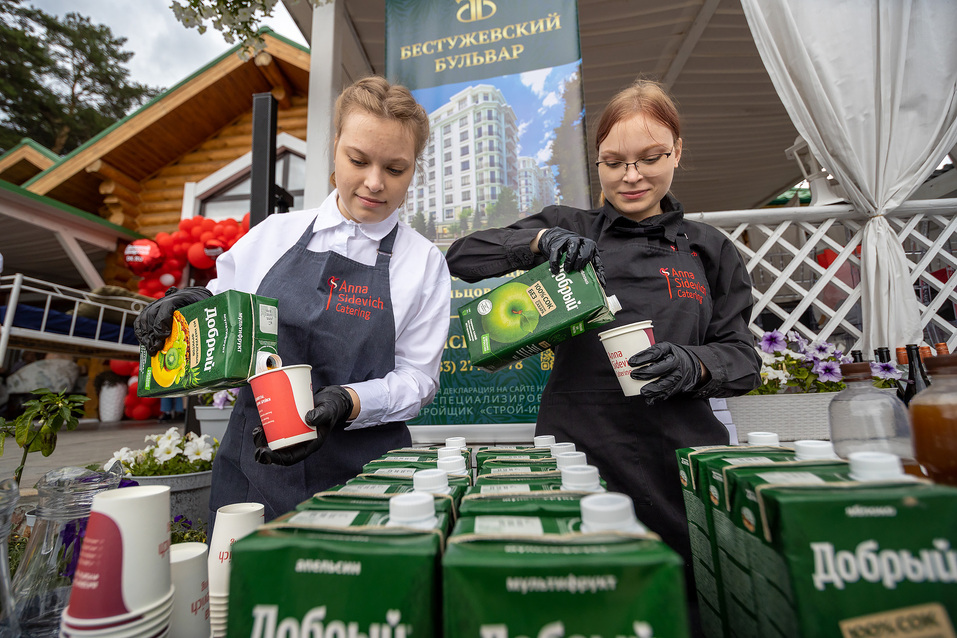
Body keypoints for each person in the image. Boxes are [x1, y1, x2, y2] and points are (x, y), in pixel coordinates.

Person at [445, 78, 761, 632]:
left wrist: (695, 364)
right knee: (583, 605)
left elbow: (743, 359)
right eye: (613, 162)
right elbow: (463, 255)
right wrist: (537, 245)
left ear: (677, 152)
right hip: (578, 453)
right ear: (598, 163)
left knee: (690, 606)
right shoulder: (570, 226)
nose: (631, 176)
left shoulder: (708, 249)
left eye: (649, 158)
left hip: (680, 461)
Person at [135, 76, 452, 522]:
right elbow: (220, 310)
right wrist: (187, 305)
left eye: (395, 169)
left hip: (366, 477)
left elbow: (417, 380)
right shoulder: (273, 235)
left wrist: (346, 402)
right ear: (335, 146)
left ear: (414, 168)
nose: (374, 182)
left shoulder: (422, 264)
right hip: (254, 469)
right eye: (358, 160)